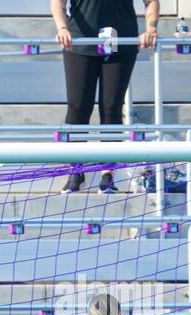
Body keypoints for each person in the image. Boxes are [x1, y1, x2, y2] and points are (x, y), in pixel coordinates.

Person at [51, 1, 160, 192]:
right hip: (80, 41)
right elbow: (57, 3)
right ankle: (76, 170)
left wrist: (151, 28)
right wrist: (62, 27)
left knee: (111, 107)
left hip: (120, 41)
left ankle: (107, 173)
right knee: (78, 107)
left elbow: (151, 2)